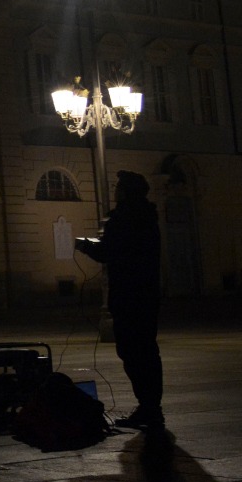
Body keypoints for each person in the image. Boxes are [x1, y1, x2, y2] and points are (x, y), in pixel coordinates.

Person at [75, 170, 164, 430]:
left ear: (125, 191)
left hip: (127, 295)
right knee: (147, 350)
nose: (115, 191)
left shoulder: (123, 218)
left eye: (118, 187)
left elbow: (108, 252)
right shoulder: (148, 217)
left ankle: (148, 408)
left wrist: (86, 246)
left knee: (131, 351)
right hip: (147, 295)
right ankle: (152, 407)